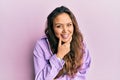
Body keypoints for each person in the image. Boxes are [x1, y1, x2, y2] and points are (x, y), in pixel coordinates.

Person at [33, 6, 91, 80]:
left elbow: (82, 73)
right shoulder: (41, 46)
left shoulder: (80, 43)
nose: (65, 30)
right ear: (52, 28)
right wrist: (59, 56)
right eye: (59, 26)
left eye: (69, 25)